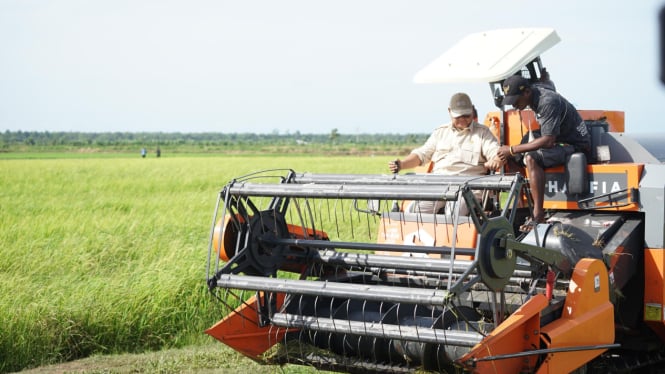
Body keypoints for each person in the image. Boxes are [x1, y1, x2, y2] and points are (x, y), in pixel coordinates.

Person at [496, 74, 590, 229]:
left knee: (531, 158)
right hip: (558, 135)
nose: (514, 106)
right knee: (514, 156)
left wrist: (511, 149)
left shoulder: (547, 101)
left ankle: (538, 215)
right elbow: (547, 83)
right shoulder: (535, 91)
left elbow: (548, 141)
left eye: (515, 101)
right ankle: (519, 208)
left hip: (573, 143)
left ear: (526, 92)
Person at [388, 92, 504, 213]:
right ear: (449, 112)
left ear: (471, 111)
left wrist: (496, 160)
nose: (463, 120)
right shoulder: (440, 132)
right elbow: (421, 154)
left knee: (453, 212)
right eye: (458, 116)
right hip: (438, 186)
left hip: (468, 190)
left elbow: (495, 152)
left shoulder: (483, 133)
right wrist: (402, 164)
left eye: (466, 116)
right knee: (412, 210)